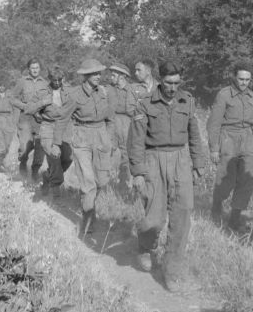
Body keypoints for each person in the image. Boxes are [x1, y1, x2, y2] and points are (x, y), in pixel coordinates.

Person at [128, 61, 206, 292]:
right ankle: (145, 245)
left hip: (181, 159)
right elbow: (136, 141)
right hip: (154, 159)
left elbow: (194, 135)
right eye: (168, 83)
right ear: (160, 80)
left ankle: (171, 270)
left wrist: (198, 163)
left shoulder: (187, 101)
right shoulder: (145, 104)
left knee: (182, 217)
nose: (173, 87)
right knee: (153, 219)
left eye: (176, 82)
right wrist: (138, 172)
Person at [58, 59, 115, 235]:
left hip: (101, 136)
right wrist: (55, 143)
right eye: (95, 74)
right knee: (88, 182)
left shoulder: (104, 92)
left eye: (100, 73)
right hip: (82, 137)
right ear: (86, 75)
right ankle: (88, 218)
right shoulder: (75, 95)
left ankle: (89, 206)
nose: (99, 76)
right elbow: (62, 118)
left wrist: (109, 139)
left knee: (101, 181)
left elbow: (110, 118)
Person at [206, 61, 253, 232]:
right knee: (226, 178)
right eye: (241, 79)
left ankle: (234, 218)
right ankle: (216, 206)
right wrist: (214, 148)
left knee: (248, 178)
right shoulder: (224, 95)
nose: (244, 83)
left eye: (247, 80)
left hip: (248, 140)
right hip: (228, 137)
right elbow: (214, 123)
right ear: (234, 77)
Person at [24, 67, 73, 197]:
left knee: (68, 158)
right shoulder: (42, 92)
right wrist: (43, 102)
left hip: (64, 127)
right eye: (54, 80)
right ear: (49, 79)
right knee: (54, 156)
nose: (57, 83)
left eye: (59, 80)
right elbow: (28, 109)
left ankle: (47, 176)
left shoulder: (69, 90)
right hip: (48, 127)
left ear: (63, 79)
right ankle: (56, 189)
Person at [10, 58, 50, 182]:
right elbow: (12, 98)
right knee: (24, 148)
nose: (35, 70)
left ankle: (35, 172)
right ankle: (22, 168)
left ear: (40, 69)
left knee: (40, 147)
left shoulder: (45, 83)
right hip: (25, 118)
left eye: (37, 68)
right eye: (32, 68)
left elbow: (49, 100)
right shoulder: (22, 82)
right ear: (28, 69)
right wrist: (24, 106)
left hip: (39, 119)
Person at [107, 62, 137, 193]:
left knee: (127, 154)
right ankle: (106, 184)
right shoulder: (109, 89)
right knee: (108, 151)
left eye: (114, 75)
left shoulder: (132, 90)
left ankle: (128, 186)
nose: (111, 78)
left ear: (122, 77)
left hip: (127, 123)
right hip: (112, 122)